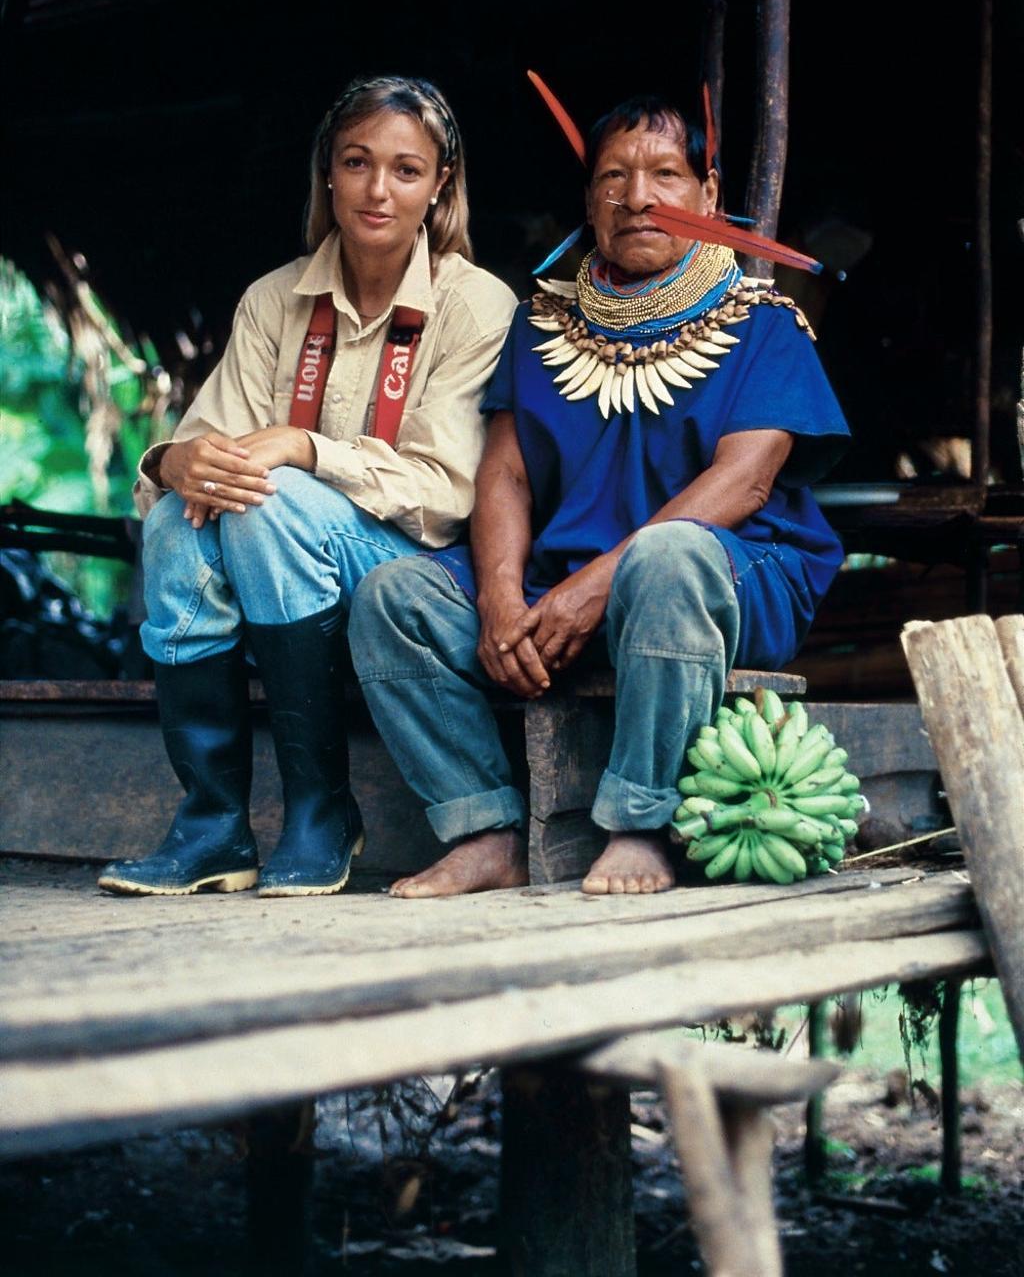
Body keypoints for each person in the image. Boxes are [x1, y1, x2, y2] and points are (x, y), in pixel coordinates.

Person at [348, 91, 850, 897]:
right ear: (590, 200)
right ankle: (483, 829)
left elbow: (744, 482)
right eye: (613, 177)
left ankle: (641, 824)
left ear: (708, 196)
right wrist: (502, 598)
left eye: (665, 175)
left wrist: (595, 586)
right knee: (391, 596)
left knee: (669, 555)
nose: (638, 196)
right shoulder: (541, 325)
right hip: (560, 585)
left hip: (721, 578)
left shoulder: (766, 325)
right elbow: (505, 473)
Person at [98, 76, 517, 897]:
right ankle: (214, 824)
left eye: (405, 169)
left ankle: (320, 811)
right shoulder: (274, 300)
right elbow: (208, 447)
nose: (377, 189)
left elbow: (446, 490)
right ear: (328, 172)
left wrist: (305, 448)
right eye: (357, 162)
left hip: (415, 577)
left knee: (271, 501)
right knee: (178, 525)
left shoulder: (476, 304)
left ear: (441, 187)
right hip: (280, 548)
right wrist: (171, 462)